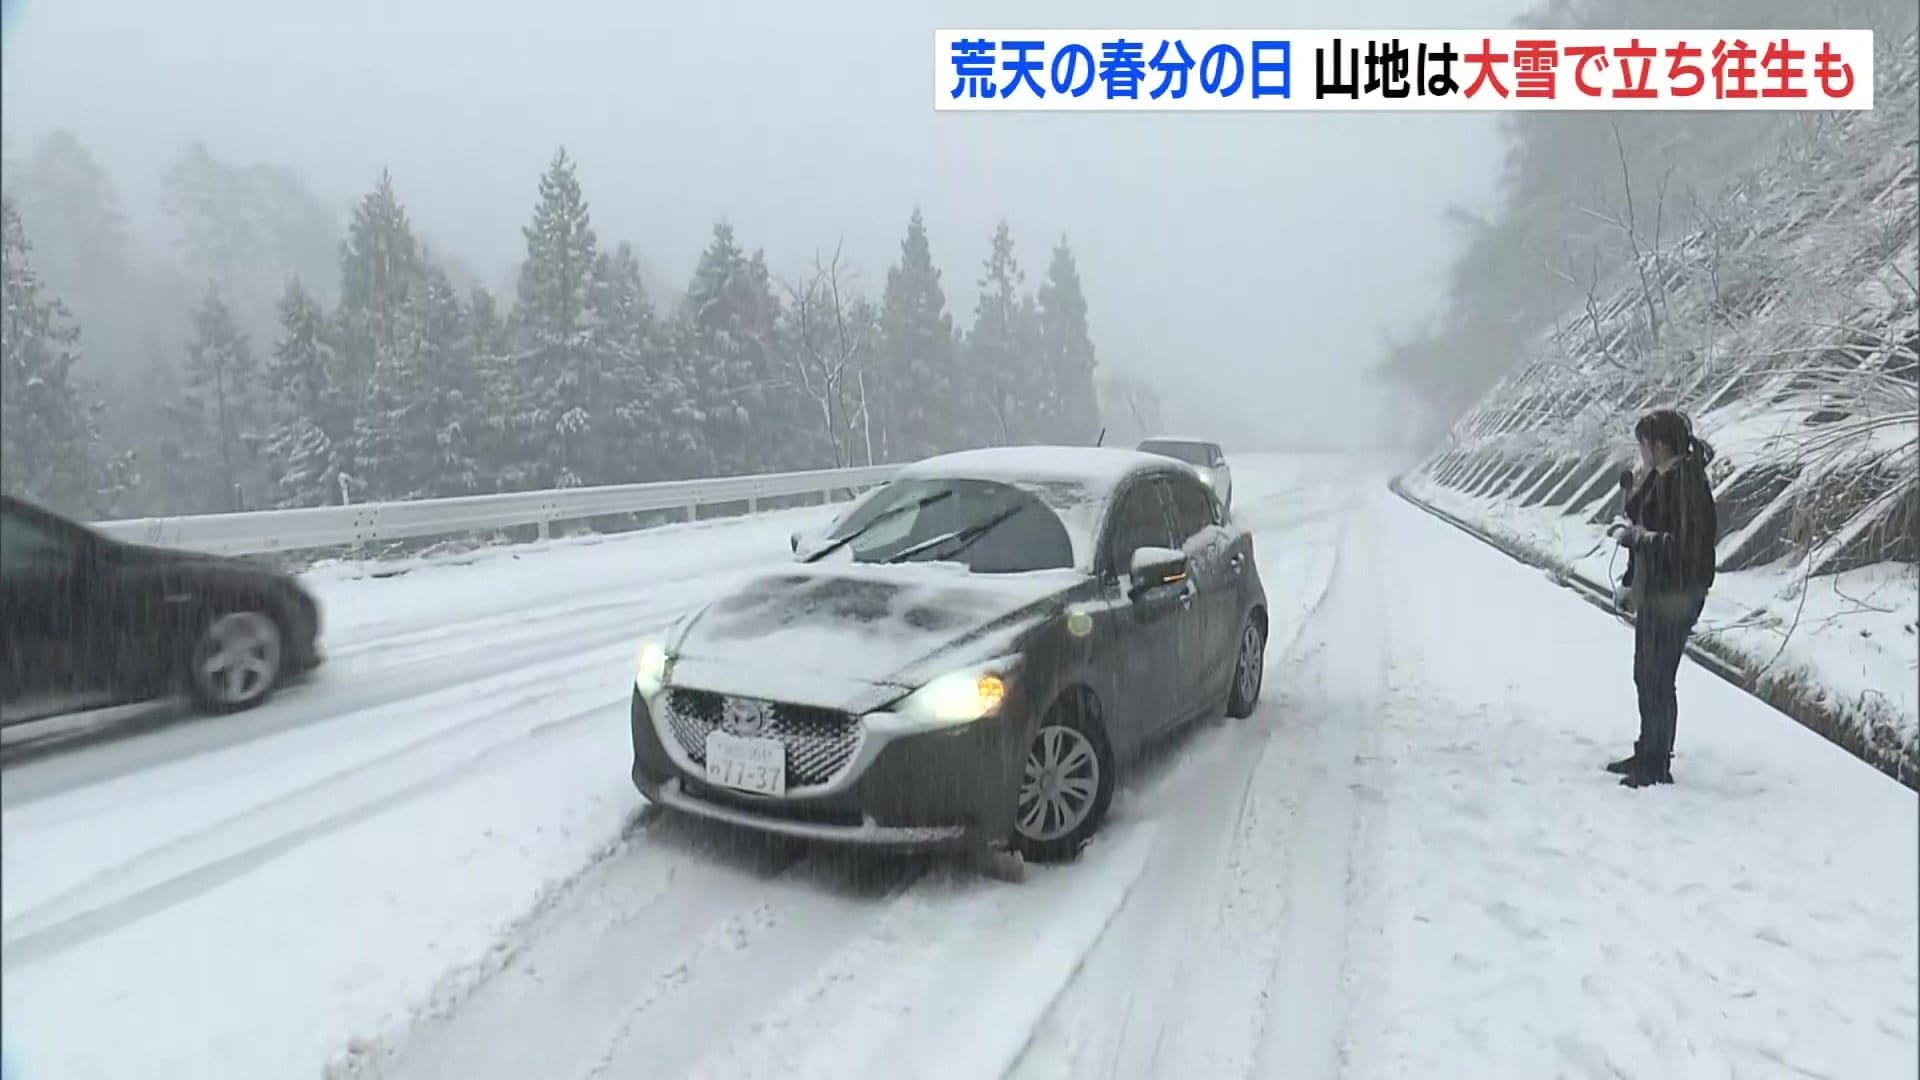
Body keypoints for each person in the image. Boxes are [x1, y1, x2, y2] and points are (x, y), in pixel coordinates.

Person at [1605, 409, 1718, 788]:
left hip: (1678, 593)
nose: (1642, 452)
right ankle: (1648, 750)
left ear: (1658, 444)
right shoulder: (1662, 477)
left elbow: (1683, 546)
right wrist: (1632, 490)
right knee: (1644, 673)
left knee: (1658, 676)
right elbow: (1641, 515)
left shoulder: (1687, 482)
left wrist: (1637, 539)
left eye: (1644, 444)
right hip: (1658, 591)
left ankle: (1657, 763)